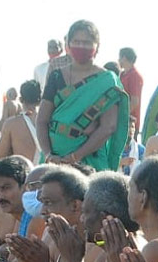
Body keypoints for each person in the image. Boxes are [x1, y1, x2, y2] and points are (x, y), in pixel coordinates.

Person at [36, 20, 130, 172]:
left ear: (97, 47)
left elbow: (108, 127)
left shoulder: (106, 81)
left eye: (87, 43)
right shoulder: (56, 76)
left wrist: (74, 157)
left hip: (88, 163)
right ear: (68, 45)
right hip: (52, 162)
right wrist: (48, 155)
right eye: (76, 42)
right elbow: (42, 120)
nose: (81, 46)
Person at [0, 79, 42, 162]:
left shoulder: (11, 124)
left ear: (20, 99)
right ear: (40, 100)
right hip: (45, 172)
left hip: (24, 171)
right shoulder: (49, 122)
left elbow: (0, 154)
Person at [118, 47, 144, 138]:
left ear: (124, 58)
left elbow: (134, 102)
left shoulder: (135, 76)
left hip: (130, 123)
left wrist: (122, 116)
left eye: (120, 58)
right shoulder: (122, 74)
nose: (118, 60)